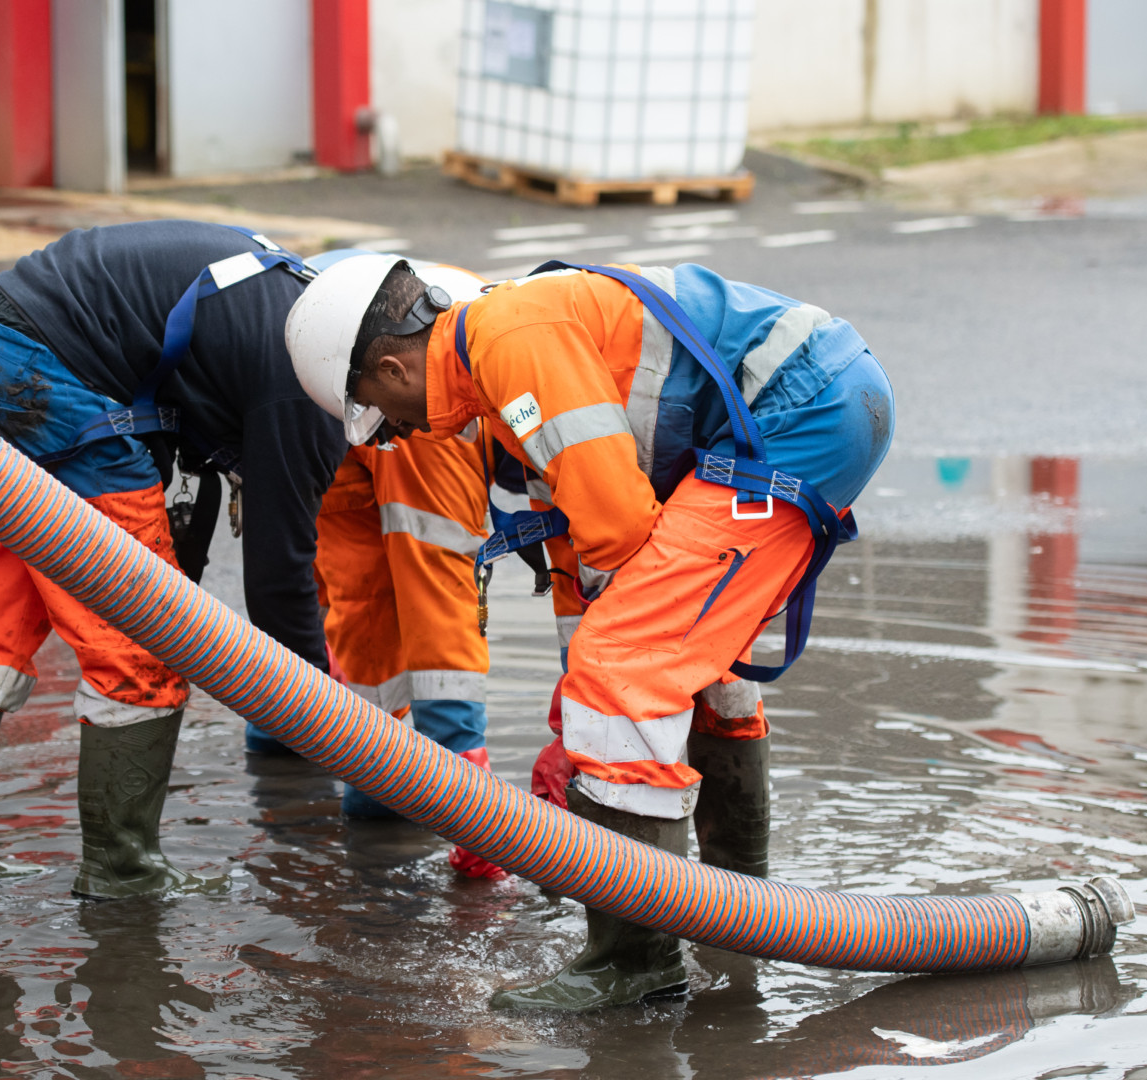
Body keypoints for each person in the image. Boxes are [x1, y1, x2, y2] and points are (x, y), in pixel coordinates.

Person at [285, 254, 894, 1010]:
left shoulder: (511, 344)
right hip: (814, 401)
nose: (394, 435)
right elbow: (588, 562)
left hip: (797, 415)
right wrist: (577, 729)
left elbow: (617, 528)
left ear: (389, 366)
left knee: (625, 673)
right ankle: (738, 917)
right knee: (695, 668)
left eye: (380, 414)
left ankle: (635, 960)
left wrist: (592, 725)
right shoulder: (505, 355)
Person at [0, 220, 346, 898]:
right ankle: (123, 870)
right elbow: (279, 576)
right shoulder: (303, 390)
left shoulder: (275, 302)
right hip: (46, 378)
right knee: (145, 638)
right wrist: (317, 726)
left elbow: (187, 472)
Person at [296, 256, 507, 879]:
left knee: (349, 591)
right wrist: (471, 778)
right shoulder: (445, 391)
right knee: (412, 574)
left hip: (334, 385)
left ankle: (371, 790)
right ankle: (454, 788)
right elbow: (438, 580)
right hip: (406, 389)